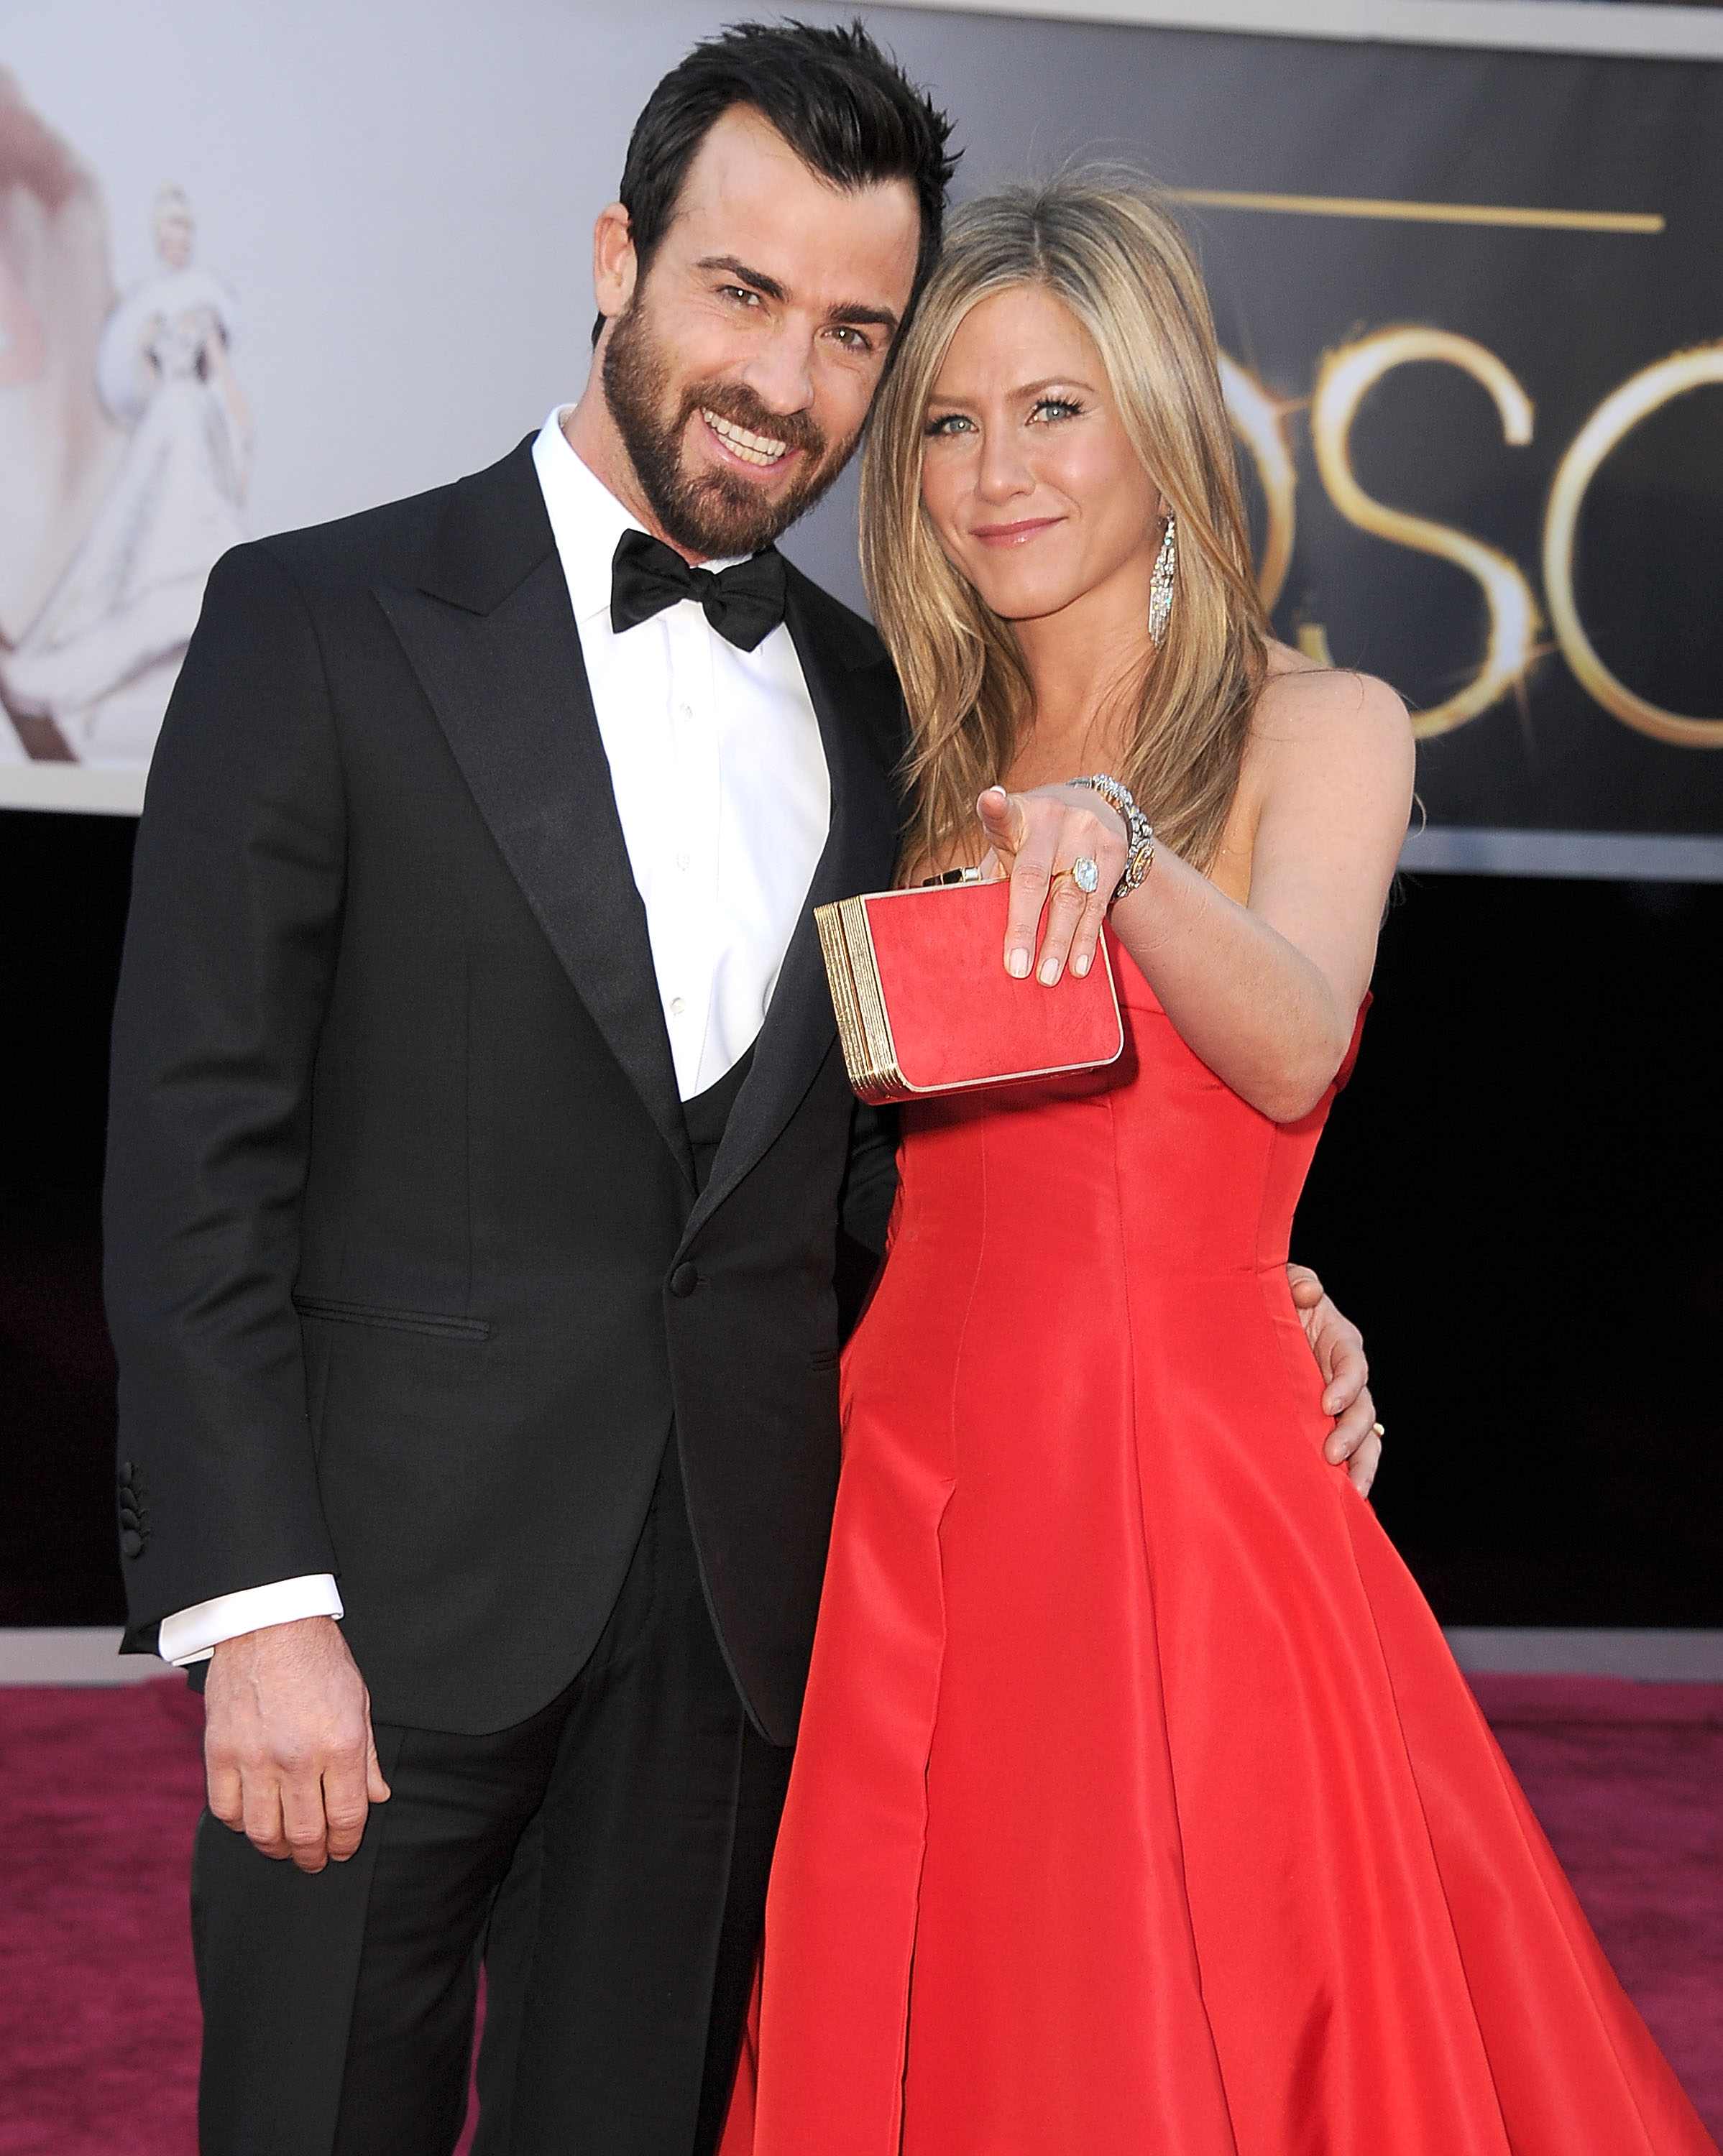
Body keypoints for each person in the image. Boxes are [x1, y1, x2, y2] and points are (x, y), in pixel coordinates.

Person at [104, 32, 1377, 2156]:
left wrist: (1264, 1280)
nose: (788, 378)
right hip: (378, 1628)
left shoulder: (893, 711)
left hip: (742, 1634)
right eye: (740, 292)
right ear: (616, 259)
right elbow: (192, 1154)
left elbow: (913, 1169)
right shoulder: (313, 620)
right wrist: (257, 1610)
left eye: (855, 329)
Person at [725, 179, 1716, 2156]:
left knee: (1187, 2011)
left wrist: (1126, 853)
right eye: (946, 420)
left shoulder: (1314, 724)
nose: (993, 471)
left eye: (1053, 409)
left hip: (1174, 1493)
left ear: (1164, 427)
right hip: (910, 1469)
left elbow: (1282, 1044)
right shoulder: (897, 759)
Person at [0, 186, 249, 763]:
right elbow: (134, 385)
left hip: (191, 426)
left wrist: (242, 436)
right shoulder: (146, 307)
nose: (175, 243)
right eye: (168, 234)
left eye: (181, 233)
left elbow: (223, 381)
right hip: (163, 430)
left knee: (201, 547)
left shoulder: (203, 302)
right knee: (138, 546)